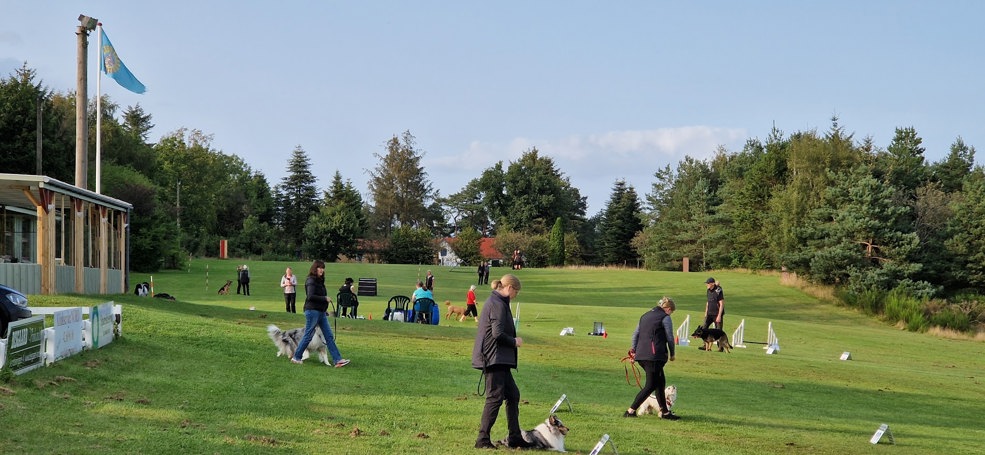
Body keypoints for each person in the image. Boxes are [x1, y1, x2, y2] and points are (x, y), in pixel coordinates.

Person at [471, 274, 533, 449]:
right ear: (510, 288)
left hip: (500, 358)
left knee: (513, 395)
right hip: (493, 358)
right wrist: (514, 342)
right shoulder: (497, 304)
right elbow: (497, 333)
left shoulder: (498, 302)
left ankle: (515, 437)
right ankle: (482, 439)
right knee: (495, 398)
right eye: (516, 292)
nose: (516, 296)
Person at [623, 296, 680, 420]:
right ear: (668, 309)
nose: (671, 314)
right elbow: (670, 337)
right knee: (651, 384)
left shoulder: (645, 316)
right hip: (654, 356)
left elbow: (635, 334)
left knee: (660, 382)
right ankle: (630, 411)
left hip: (641, 355)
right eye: (671, 312)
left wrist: (633, 351)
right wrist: (672, 354)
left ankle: (665, 413)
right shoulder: (665, 317)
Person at [291, 260, 350, 368]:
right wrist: (324, 298)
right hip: (312, 311)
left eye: (323, 268)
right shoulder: (311, 280)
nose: (322, 270)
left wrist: (324, 306)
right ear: (315, 268)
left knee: (329, 336)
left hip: (321, 312)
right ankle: (296, 357)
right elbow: (310, 296)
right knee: (308, 335)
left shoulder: (319, 281)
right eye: (320, 267)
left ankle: (338, 360)